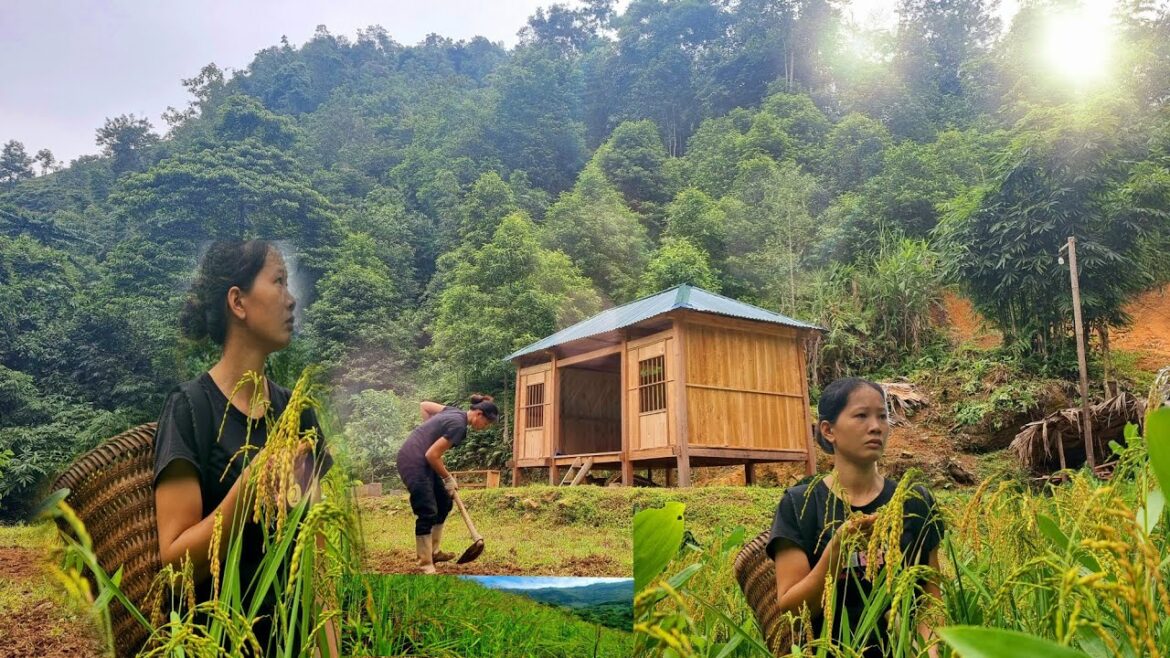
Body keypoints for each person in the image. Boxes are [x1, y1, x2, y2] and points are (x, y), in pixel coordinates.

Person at [151, 240, 336, 655]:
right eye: (279, 282)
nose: (291, 301)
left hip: (290, 642)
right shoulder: (190, 410)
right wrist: (247, 490)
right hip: (214, 643)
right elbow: (175, 566)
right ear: (238, 301)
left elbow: (318, 560)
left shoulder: (297, 414)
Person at [767, 377, 943, 657]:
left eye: (882, 416)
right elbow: (791, 609)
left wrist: (927, 650)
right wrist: (834, 555)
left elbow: (930, 597)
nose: (876, 427)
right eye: (861, 415)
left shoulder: (915, 501)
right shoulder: (801, 504)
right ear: (828, 430)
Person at [397, 394, 499, 573]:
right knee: (427, 510)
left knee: (444, 502)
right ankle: (425, 563)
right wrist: (448, 478)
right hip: (412, 460)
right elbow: (432, 455)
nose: (484, 428)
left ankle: (434, 552)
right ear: (479, 414)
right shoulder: (458, 426)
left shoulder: (453, 412)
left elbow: (425, 406)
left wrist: (428, 434)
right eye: (487, 423)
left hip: (424, 460)